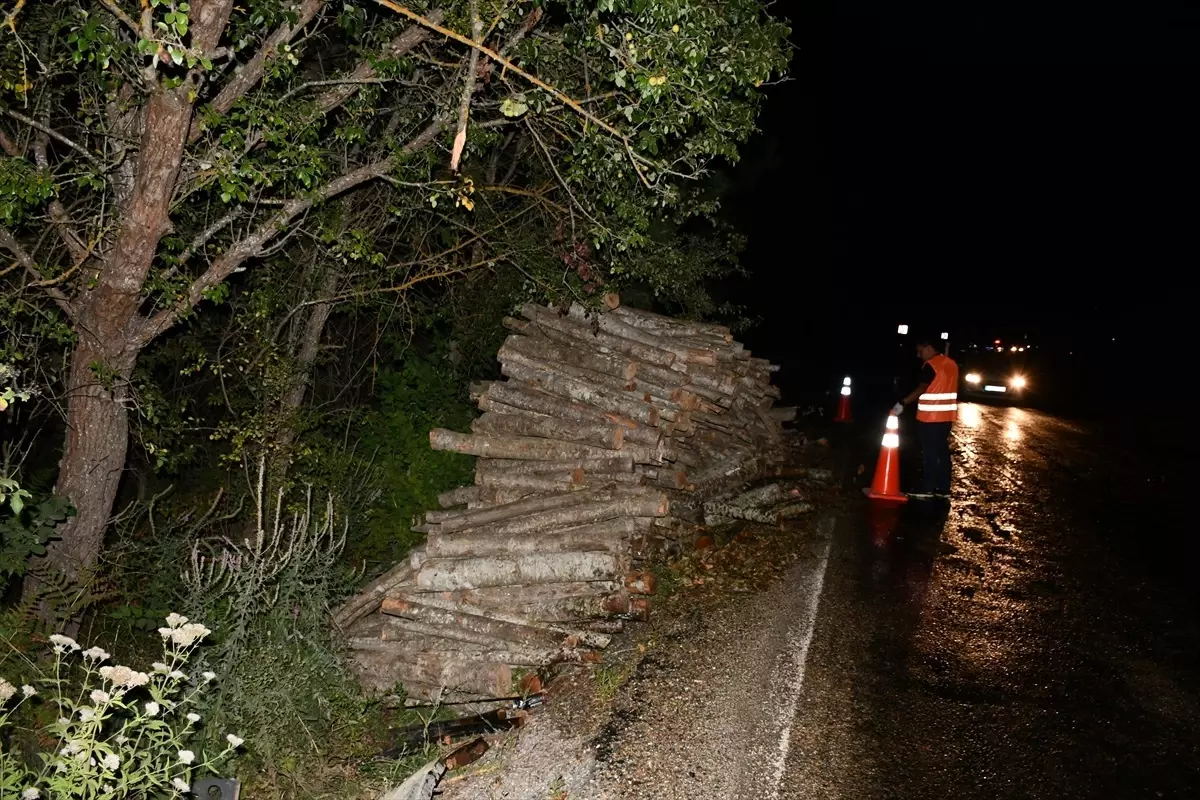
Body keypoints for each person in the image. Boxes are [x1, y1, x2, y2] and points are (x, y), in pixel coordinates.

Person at [892, 336, 959, 499]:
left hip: (930, 418)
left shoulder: (930, 366)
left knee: (929, 453)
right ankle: (943, 488)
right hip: (946, 418)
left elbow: (922, 388)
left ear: (928, 347)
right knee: (942, 452)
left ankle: (928, 487)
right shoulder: (951, 364)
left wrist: (902, 403)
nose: (918, 355)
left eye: (919, 351)